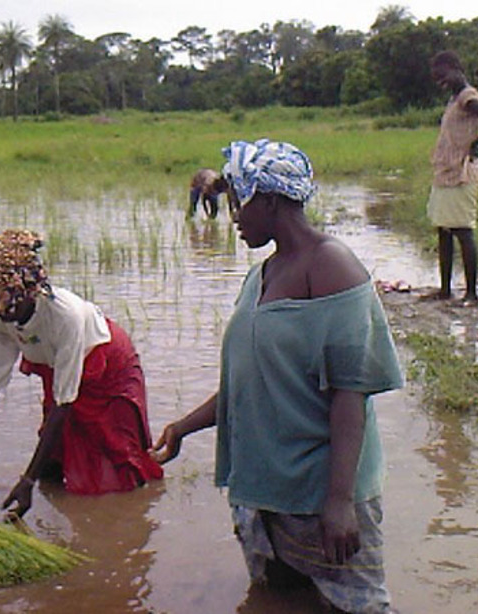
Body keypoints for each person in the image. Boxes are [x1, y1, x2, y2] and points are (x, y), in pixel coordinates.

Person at [151, 139, 403, 614]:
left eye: (239, 203)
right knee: (277, 600)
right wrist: (183, 427)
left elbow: (351, 393)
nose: (234, 217)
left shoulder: (331, 266)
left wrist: (339, 501)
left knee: (358, 606)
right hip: (265, 491)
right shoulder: (262, 274)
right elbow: (252, 384)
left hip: (319, 493)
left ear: (269, 200)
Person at [0, 229, 163, 517]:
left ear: (27, 288)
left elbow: (63, 403)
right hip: (58, 369)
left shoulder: (63, 315)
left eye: (6, 297)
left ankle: (128, 519)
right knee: (54, 466)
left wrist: (27, 479)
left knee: (118, 465)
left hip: (106, 368)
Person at [426, 50, 478, 306]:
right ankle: (445, 290)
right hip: (447, 172)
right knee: (444, 229)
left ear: (455, 68)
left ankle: (471, 294)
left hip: (462, 172)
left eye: (443, 76)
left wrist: (475, 143)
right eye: (437, 79)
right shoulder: (454, 98)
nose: (440, 82)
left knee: (462, 230)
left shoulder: (468, 97)